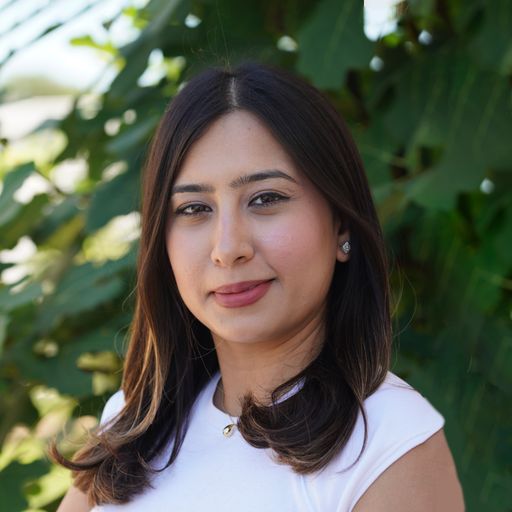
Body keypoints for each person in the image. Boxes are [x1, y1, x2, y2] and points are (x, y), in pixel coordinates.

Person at [53, 61, 464, 511]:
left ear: (341, 223)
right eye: (193, 208)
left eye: (266, 199)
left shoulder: (389, 441)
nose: (228, 248)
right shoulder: (132, 427)